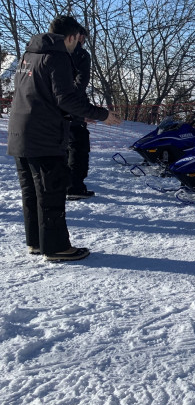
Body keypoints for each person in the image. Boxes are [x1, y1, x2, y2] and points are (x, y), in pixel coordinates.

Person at [7, 15, 122, 261]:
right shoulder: (57, 56)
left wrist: (76, 113)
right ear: (69, 37)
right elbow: (65, 98)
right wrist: (102, 115)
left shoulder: (30, 55)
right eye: (77, 41)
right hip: (44, 136)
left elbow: (40, 95)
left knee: (32, 193)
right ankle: (57, 247)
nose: (77, 47)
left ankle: (37, 242)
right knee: (51, 192)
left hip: (19, 133)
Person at [65, 25, 94, 200]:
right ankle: (75, 186)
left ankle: (66, 182)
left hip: (54, 109)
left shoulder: (52, 53)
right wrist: (83, 110)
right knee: (78, 146)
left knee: (65, 146)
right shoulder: (81, 55)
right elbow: (80, 85)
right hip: (73, 108)